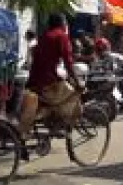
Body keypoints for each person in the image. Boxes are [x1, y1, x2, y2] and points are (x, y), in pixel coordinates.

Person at [17, 14, 85, 148]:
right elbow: (68, 62)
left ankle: (52, 121)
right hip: (48, 83)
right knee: (74, 94)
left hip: (34, 81)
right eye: (65, 23)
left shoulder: (43, 36)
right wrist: (78, 82)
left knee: (58, 94)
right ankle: (60, 125)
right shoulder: (61, 36)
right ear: (62, 23)